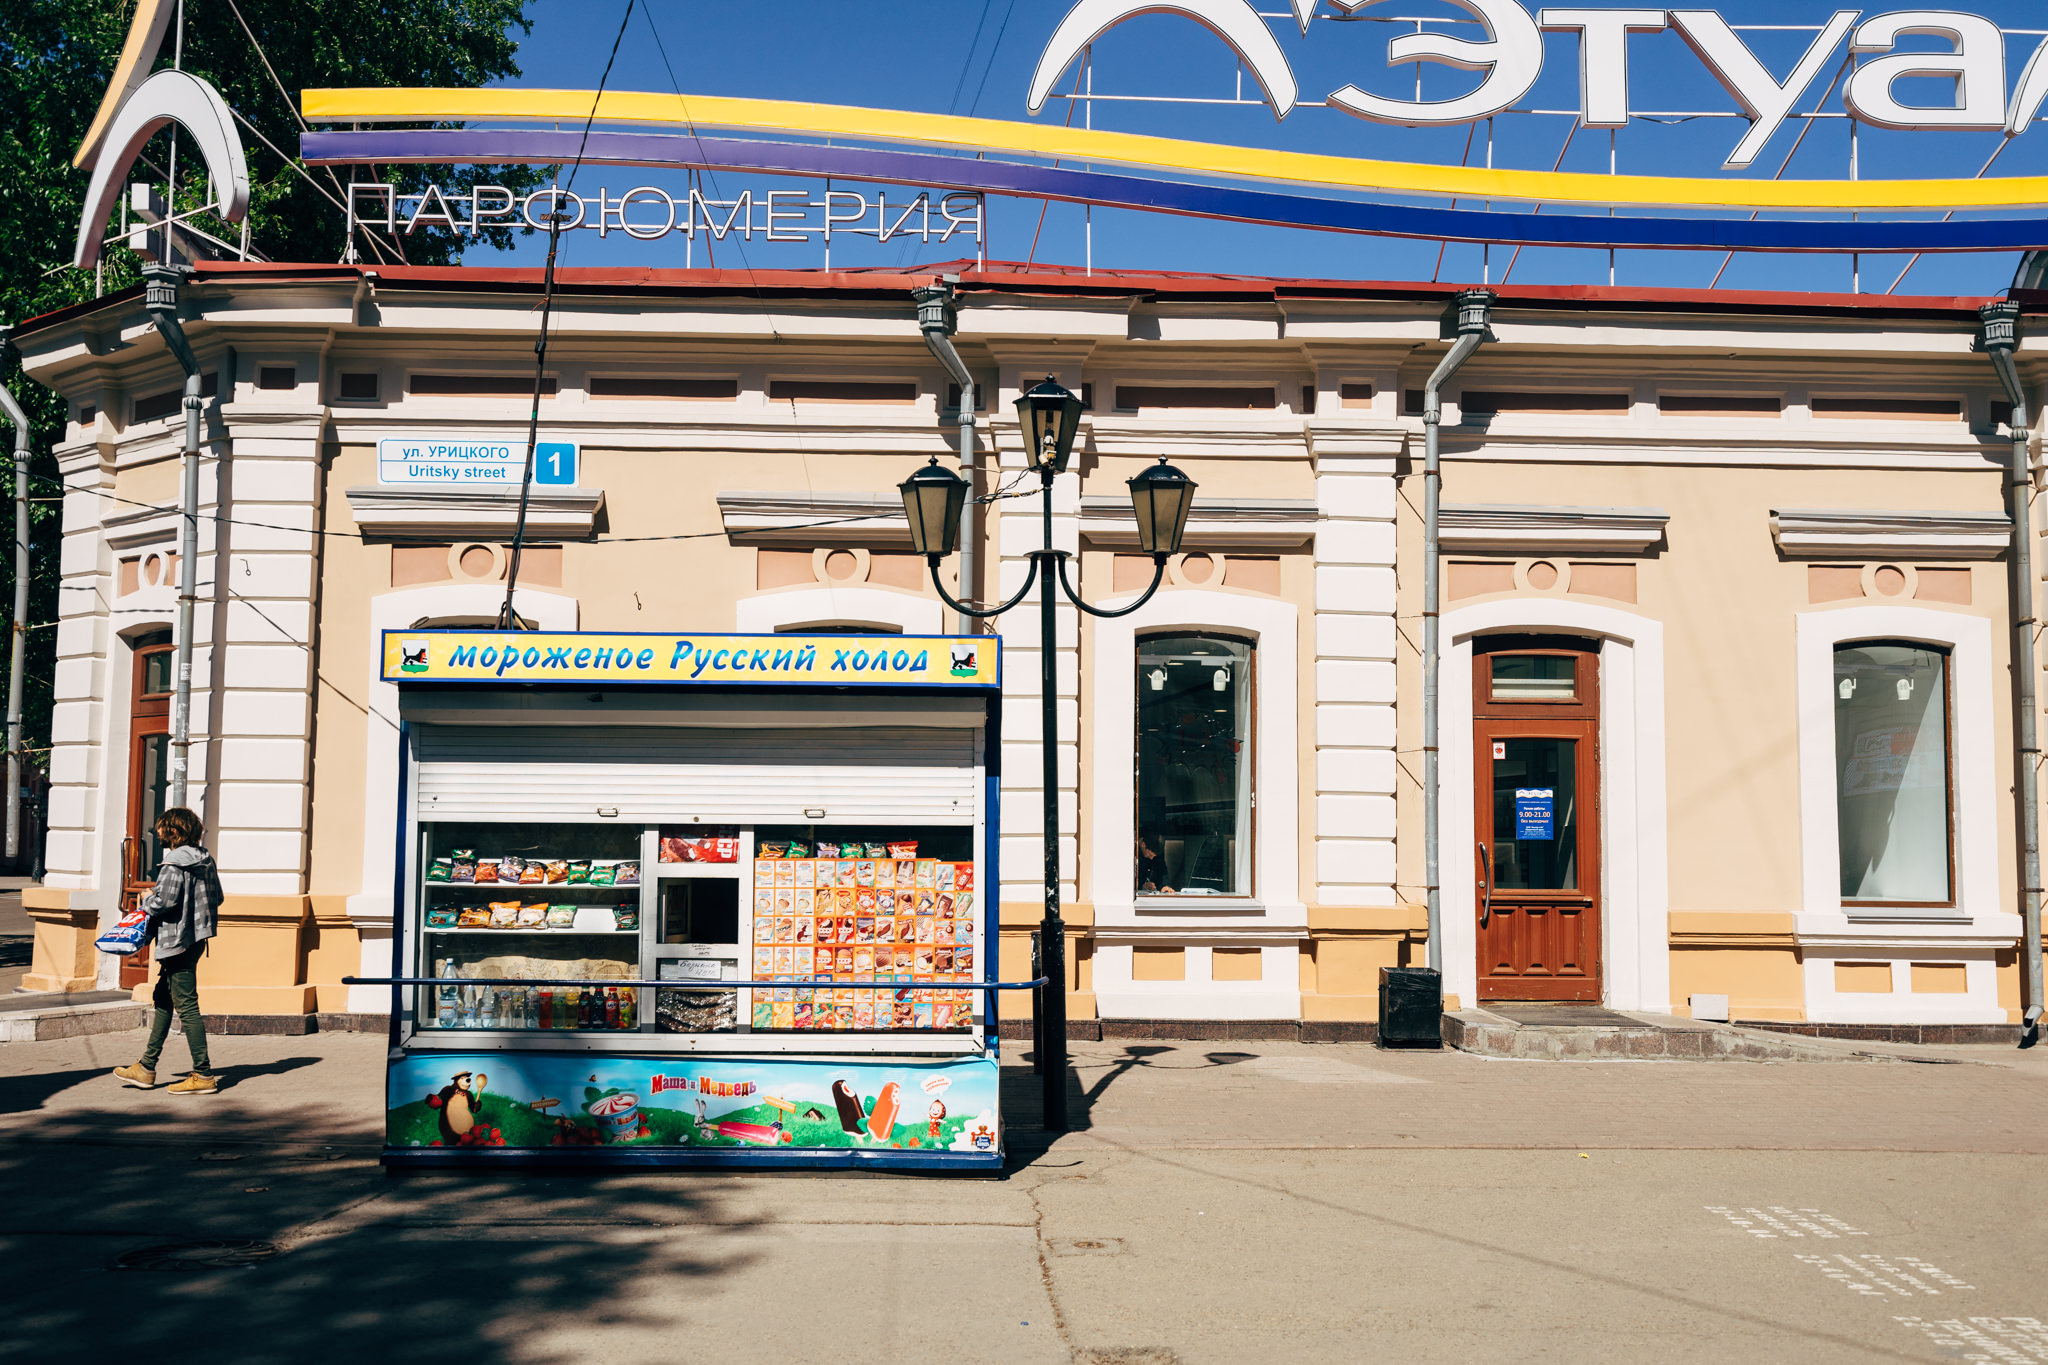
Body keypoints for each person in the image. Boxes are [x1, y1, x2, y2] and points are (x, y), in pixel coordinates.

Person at [112, 808, 223, 1094]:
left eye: (162, 830)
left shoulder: (174, 864)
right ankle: (146, 1067)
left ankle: (204, 1074)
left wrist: (147, 899)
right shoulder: (206, 860)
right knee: (163, 997)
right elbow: (218, 897)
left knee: (187, 1006)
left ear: (174, 832)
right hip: (197, 938)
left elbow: (165, 902)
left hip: (177, 942)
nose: (158, 834)